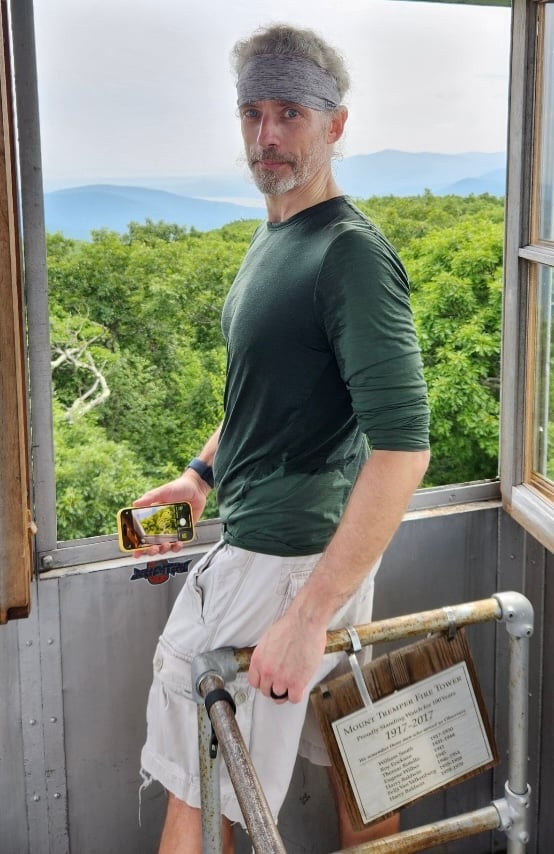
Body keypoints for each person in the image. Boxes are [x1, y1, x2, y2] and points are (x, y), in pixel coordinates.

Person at [135, 22, 430, 853]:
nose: (267, 134)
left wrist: (307, 617)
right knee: (349, 755)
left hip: (284, 565)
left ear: (335, 125)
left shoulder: (349, 256)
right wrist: (199, 475)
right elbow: (259, 395)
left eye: (291, 113)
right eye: (252, 112)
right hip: (282, 557)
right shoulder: (274, 237)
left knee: (201, 791)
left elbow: (404, 450)